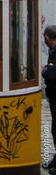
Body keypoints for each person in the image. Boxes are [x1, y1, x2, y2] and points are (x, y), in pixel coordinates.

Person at [42, 26, 56, 173]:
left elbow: (50, 73)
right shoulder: (53, 52)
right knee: (54, 129)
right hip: (53, 95)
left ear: (46, 38)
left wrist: (46, 70)